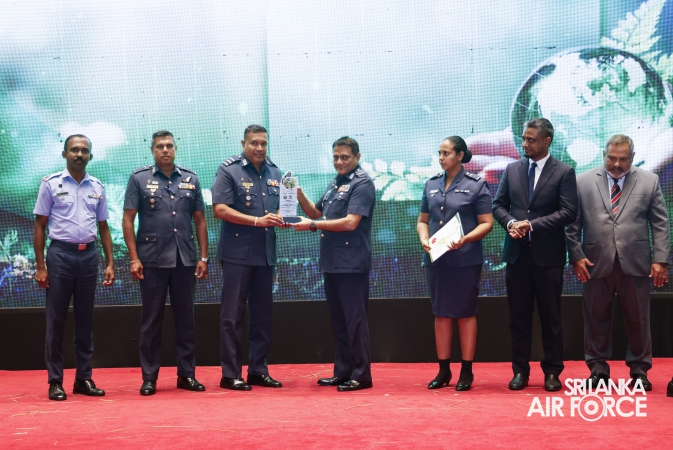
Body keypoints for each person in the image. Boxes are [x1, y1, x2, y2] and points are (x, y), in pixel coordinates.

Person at [566, 134, 669, 391]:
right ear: (604, 155)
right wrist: (576, 255)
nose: (616, 164)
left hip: (636, 263)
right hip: (593, 262)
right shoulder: (582, 181)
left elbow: (660, 223)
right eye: (612, 158)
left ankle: (639, 372)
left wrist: (660, 260)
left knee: (638, 320)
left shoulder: (649, 181)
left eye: (623, 159)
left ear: (632, 157)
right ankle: (598, 370)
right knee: (595, 318)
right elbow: (572, 224)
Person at [492, 118, 578, 392]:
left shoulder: (564, 172)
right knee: (518, 317)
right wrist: (510, 223)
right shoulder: (512, 169)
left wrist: (532, 225)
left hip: (548, 258)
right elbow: (498, 205)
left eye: (531, 139)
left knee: (551, 318)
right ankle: (520, 371)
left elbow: (569, 212)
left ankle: (552, 372)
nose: (525, 144)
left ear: (547, 141)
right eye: (524, 138)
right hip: (517, 256)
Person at [122, 130, 209, 396]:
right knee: (151, 321)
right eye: (160, 146)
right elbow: (128, 220)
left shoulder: (190, 178)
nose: (165, 150)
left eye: (169, 146)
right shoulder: (139, 178)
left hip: (184, 259)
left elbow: (200, 220)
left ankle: (187, 374)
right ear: (152, 150)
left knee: (186, 321)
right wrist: (134, 258)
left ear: (175, 149)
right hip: (152, 260)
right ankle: (149, 377)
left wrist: (203, 257)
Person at [33, 134, 115, 401]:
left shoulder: (97, 186)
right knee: (56, 320)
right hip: (60, 256)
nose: (79, 154)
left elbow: (103, 227)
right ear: (65, 154)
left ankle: (83, 379)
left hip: (88, 256)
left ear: (90, 155)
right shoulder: (50, 183)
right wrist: (40, 266)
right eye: (74, 150)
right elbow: (39, 225)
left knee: (85, 320)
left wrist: (110, 262)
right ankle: (55, 381)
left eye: (84, 151)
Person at [293, 136, 376, 392]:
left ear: (357, 157)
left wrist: (312, 225)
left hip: (351, 263)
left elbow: (350, 222)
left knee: (355, 321)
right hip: (331, 262)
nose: (339, 162)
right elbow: (316, 213)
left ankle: (361, 374)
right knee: (339, 321)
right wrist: (298, 194)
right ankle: (343, 371)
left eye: (345, 157)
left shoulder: (362, 183)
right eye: (336, 157)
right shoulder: (335, 183)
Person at [416, 136, 494, 391]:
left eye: (446, 153)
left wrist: (466, 239)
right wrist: (424, 239)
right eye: (439, 153)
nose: (441, 158)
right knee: (441, 313)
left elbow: (487, 223)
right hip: (436, 258)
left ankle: (466, 370)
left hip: (465, 259)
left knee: (465, 313)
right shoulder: (431, 184)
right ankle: (443, 369)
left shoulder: (476, 184)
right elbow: (422, 220)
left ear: (460, 155)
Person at [211, 124, 284, 391]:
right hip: (237, 254)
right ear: (243, 143)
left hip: (265, 253)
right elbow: (220, 209)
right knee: (232, 316)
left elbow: (280, 208)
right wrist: (257, 220)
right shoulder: (229, 170)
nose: (259, 148)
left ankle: (258, 370)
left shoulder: (276, 172)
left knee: (263, 315)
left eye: (263, 143)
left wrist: (282, 217)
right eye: (254, 143)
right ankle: (230, 374)